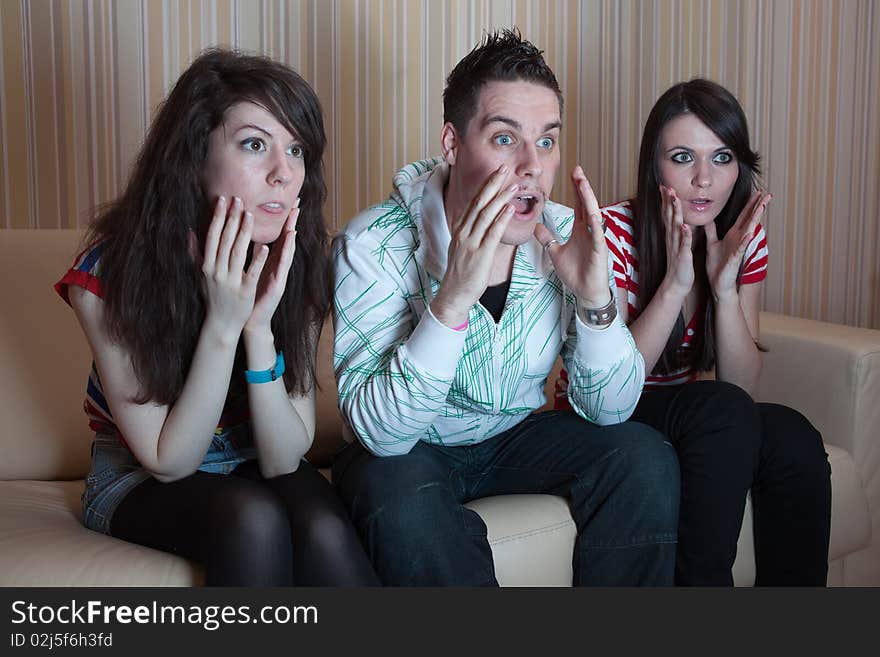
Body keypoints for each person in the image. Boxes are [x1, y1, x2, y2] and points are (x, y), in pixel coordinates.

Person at [331, 29, 679, 586]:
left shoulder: (565, 236)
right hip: (408, 450)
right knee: (400, 496)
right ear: (452, 143)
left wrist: (596, 302)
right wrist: (448, 305)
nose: (531, 166)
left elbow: (610, 411)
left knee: (642, 454)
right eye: (503, 138)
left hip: (514, 435)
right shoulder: (373, 242)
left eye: (546, 141)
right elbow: (381, 434)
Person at [55, 48, 379, 586]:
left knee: (323, 524)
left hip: (254, 457)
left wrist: (256, 330)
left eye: (296, 150)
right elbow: (169, 460)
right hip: (139, 477)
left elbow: (282, 457)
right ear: (193, 155)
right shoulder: (109, 275)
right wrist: (223, 324)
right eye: (255, 145)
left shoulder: (297, 261)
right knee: (252, 519)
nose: (283, 173)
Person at [555, 78, 832, 585]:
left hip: (693, 416)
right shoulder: (610, 232)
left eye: (722, 158)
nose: (704, 180)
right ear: (654, 165)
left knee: (793, 435)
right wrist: (675, 286)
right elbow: (612, 386)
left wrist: (723, 288)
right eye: (683, 158)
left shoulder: (742, 239)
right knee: (720, 411)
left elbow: (740, 385)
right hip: (603, 416)